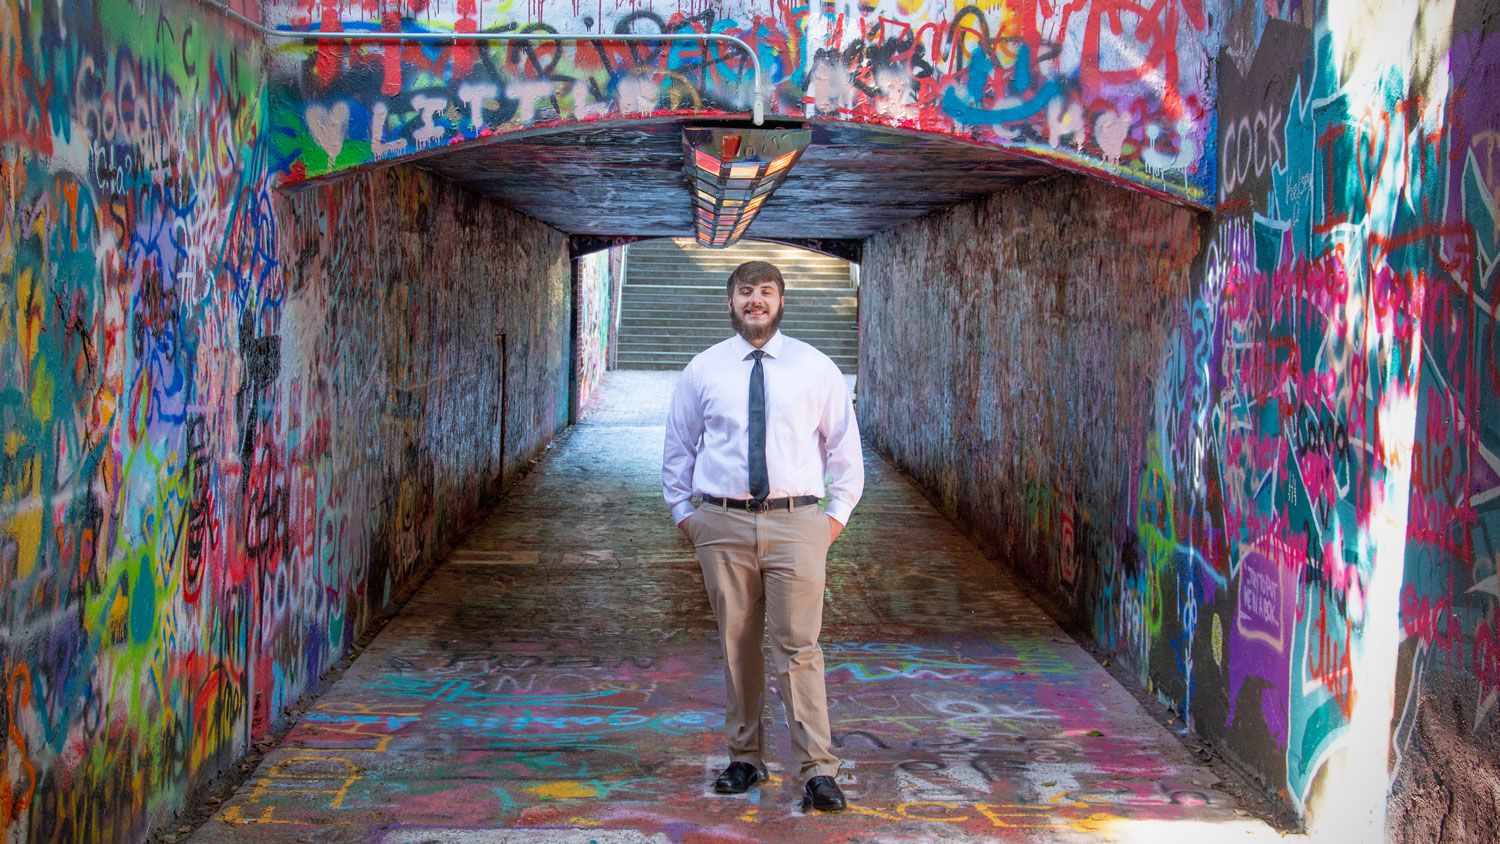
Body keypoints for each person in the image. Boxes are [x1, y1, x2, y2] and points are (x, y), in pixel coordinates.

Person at [662, 259, 864, 812]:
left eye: (766, 291)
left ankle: (817, 770)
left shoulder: (814, 367)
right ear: (731, 302)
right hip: (721, 523)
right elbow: (679, 447)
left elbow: (845, 450)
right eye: (746, 291)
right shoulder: (703, 369)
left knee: (799, 646)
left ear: (781, 300)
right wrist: (687, 514)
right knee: (737, 644)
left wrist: (833, 518)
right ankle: (745, 757)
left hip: (798, 520)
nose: (756, 300)